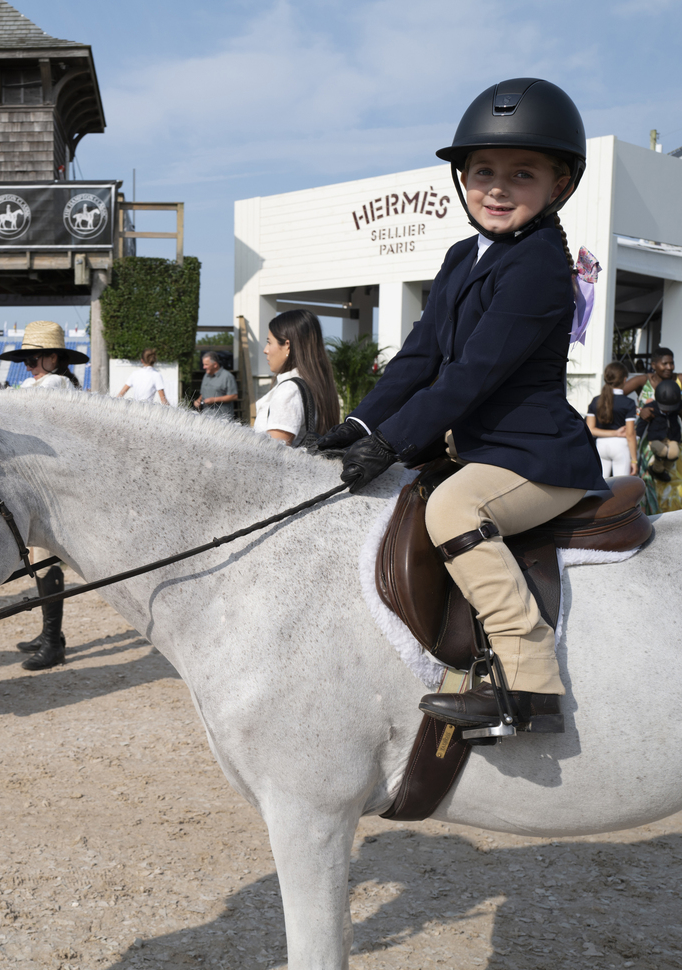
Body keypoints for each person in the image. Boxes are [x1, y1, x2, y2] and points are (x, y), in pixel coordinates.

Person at [318, 78, 607, 730]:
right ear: (462, 178)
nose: (497, 188)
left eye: (522, 173)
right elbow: (421, 357)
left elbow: (471, 374)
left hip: (534, 456)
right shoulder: (461, 255)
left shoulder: (537, 265)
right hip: (483, 448)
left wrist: (393, 441)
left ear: (559, 185)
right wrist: (358, 424)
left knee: (453, 506)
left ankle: (529, 679)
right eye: (483, 171)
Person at [0, 321, 89, 671]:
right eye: (26, 360)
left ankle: (53, 642)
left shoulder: (53, 385)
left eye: (33, 359)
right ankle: (52, 635)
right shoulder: (53, 383)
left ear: (53, 358)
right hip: (47, 488)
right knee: (40, 562)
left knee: (45, 561)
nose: (28, 367)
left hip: (50, 492)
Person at [623, 347, 682, 512]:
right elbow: (615, 396)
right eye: (664, 363)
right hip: (648, 442)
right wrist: (639, 411)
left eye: (671, 363)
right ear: (653, 364)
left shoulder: (680, 379)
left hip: (673, 438)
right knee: (648, 481)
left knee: (674, 481)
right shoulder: (642, 380)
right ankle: (649, 518)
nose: (669, 367)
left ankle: (675, 520)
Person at [254, 310, 341, 446]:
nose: (266, 349)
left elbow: (272, 457)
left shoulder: (289, 390)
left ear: (287, 346)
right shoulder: (316, 383)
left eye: (269, 342)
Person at [585, 361, 638, 477]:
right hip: (620, 446)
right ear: (624, 380)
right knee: (621, 487)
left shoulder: (596, 401)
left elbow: (590, 429)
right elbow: (630, 434)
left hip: (601, 445)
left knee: (601, 486)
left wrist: (614, 433)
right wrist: (634, 460)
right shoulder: (628, 403)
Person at [194, 350, 239, 421]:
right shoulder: (206, 376)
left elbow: (234, 396)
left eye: (206, 364)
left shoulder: (227, 376)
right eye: (203, 364)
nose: (203, 367)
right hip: (206, 418)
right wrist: (198, 400)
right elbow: (203, 393)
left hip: (223, 420)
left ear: (215, 364)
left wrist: (214, 400)